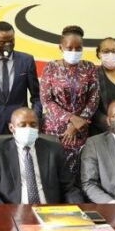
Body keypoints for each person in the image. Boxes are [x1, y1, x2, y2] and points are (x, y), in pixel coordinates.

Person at [0, 108, 84, 204]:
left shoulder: (54, 150)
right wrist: (5, 212)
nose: (28, 128)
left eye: (33, 125)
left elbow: (70, 188)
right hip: (12, 212)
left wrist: (77, 210)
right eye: (22, 125)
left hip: (49, 212)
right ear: (11, 127)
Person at [39, 25, 99, 175]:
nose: (74, 51)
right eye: (69, 48)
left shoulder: (89, 67)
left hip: (81, 130)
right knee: (54, 172)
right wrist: (71, 118)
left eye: (78, 48)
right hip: (54, 131)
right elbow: (46, 100)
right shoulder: (50, 68)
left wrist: (77, 124)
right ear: (61, 47)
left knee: (79, 173)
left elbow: (94, 98)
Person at [0, 21, 42, 135]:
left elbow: (37, 97)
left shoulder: (26, 60)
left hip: (22, 127)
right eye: (2, 42)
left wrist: (33, 120)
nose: (7, 45)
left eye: (11, 41)